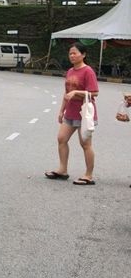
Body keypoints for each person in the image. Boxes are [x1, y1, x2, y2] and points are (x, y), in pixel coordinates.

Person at [45, 41, 99, 185]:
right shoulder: (70, 71)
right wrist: (61, 110)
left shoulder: (88, 71)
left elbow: (95, 93)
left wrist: (77, 92)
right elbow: (66, 93)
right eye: (70, 53)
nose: (72, 55)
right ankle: (63, 170)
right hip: (70, 113)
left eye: (75, 53)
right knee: (61, 139)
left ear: (83, 55)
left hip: (85, 115)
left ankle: (88, 175)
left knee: (85, 144)